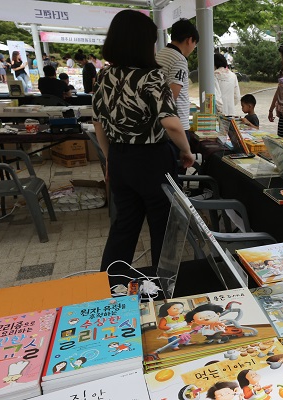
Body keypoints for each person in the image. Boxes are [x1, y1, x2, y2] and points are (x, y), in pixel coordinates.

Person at [92, 9, 195, 272]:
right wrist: (187, 151)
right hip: (151, 160)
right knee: (162, 226)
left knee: (124, 226)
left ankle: (110, 287)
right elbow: (171, 123)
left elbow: (98, 122)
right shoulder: (152, 76)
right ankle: (162, 291)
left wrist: (109, 158)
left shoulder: (103, 76)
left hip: (119, 158)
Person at [155, 18, 199, 173]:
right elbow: (170, 99)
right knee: (175, 175)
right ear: (189, 40)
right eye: (195, 44)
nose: (193, 48)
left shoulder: (161, 54)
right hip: (175, 126)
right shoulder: (179, 60)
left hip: (160, 127)